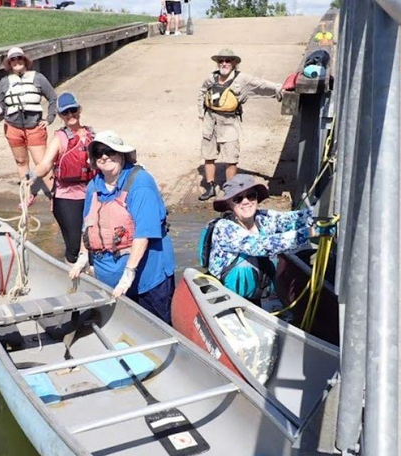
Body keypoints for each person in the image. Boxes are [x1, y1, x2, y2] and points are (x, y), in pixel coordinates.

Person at [68, 131, 176, 324]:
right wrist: (83, 257)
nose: (104, 156)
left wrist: (129, 273)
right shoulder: (94, 185)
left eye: (110, 151)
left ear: (122, 154)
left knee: (155, 327)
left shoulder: (141, 182)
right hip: (108, 280)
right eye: (99, 152)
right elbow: (88, 224)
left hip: (147, 279)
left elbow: (143, 233)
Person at [204, 174, 316, 305]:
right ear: (229, 204)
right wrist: (309, 233)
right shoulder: (225, 229)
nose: (246, 202)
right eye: (238, 199)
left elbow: (293, 218)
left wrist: (320, 214)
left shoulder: (262, 218)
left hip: (251, 297)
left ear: (257, 198)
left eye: (251, 195)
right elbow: (262, 245)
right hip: (223, 298)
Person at [197, 49, 285, 201]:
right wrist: (201, 113)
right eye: (221, 61)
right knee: (209, 155)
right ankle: (210, 187)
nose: (224, 63)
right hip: (210, 121)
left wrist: (280, 88)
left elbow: (261, 84)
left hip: (229, 122)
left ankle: (230, 189)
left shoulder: (242, 78)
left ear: (234, 63)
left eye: (228, 60)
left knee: (231, 158)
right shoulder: (211, 77)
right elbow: (202, 92)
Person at [32, 92, 95, 264]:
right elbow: (45, 165)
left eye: (73, 110)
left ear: (79, 110)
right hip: (67, 197)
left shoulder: (92, 135)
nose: (70, 115)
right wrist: (31, 177)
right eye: (65, 113)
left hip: (92, 194)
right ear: (60, 115)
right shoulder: (59, 138)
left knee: (94, 241)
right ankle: (72, 279)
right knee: (74, 245)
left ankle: (93, 275)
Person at [0, 47, 58, 195]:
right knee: (21, 162)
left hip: (34, 127)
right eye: (13, 60)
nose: (16, 62)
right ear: (9, 64)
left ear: (25, 60)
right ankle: (27, 195)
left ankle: (56, 196)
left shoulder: (38, 78)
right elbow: (1, 104)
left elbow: (53, 98)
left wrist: (49, 118)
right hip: (13, 128)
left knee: (42, 164)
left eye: (19, 58)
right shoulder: (4, 82)